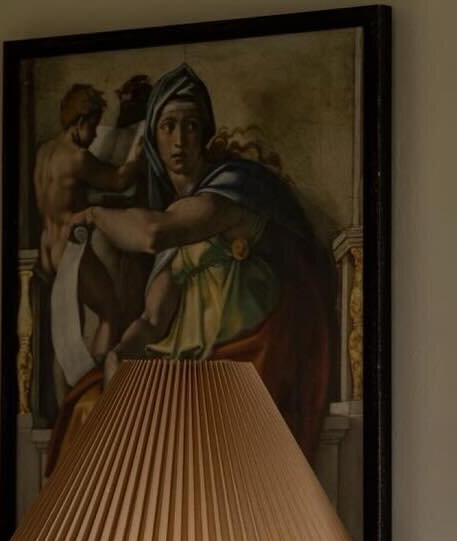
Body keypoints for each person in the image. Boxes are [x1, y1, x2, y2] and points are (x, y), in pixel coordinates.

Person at [47, 62, 334, 472]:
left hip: (247, 359)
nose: (179, 139)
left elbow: (151, 235)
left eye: (191, 125)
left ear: (205, 133)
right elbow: (153, 317)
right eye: (167, 127)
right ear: (153, 140)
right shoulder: (180, 220)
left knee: (182, 427)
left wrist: (93, 214)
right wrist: (120, 355)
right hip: (190, 367)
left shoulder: (229, 191)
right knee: (86, 409)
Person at [33, 83, 143, 368]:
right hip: (69, 249)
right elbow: (120, 180)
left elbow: (59, 198)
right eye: (93, 127)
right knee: (110, 312)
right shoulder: (77, 157)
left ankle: (68, 405)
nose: (95, 135)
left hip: (46, 246)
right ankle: (95, 393)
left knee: (67, 338)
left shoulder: (44, 152)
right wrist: (138, 153)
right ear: (79, 122)